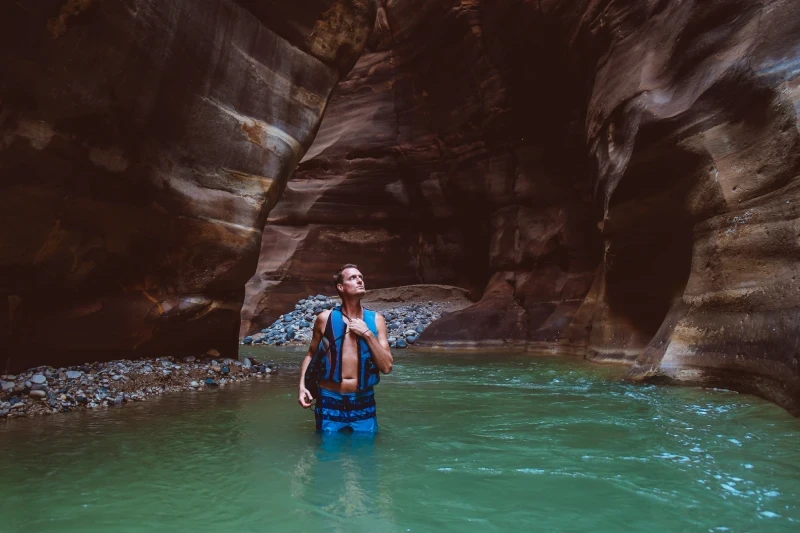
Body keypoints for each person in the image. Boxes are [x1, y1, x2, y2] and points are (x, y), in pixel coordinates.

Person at [298, 264, 393, 432]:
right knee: (328, 454)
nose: (359, 280)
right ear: (341, 287)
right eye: (353, 278)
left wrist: (367, 333)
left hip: (363, 400)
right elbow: (311, 354)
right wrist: (302, 386)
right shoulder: (324, 319)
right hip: (329, 398)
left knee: (365, 454)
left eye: (361, 277)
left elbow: (386, 367)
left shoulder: (377, 320)